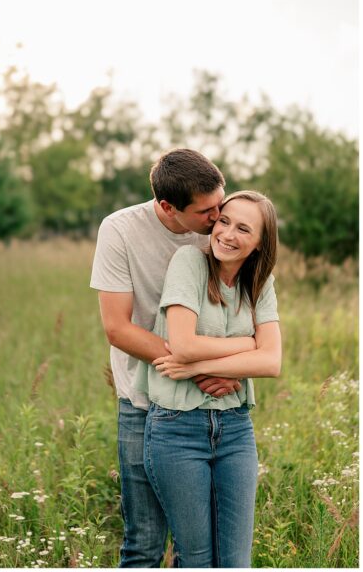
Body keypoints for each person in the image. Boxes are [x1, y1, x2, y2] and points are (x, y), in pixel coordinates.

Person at [90, 149, 244, 568]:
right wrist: (200, 368)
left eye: (221, 202)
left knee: (200, 548)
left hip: (211, 407)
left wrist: (220, 368)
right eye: (206, 212)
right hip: (143, 403)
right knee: (144, 542)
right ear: (167, 207)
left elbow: (245, 308)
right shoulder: (120, 230)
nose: (219, 218)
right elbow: (118, 329)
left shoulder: (222, 227)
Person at [137, 190, 281, 568]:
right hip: (176, 429)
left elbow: (271, 361)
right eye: (224, 221)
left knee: (236, 562)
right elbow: (182, 344)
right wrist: (248, 344)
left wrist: (202, 366)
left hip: (235, 429)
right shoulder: (190, 262)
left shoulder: (260, 284)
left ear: (260, 243)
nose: (227, 234)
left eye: (243, 228)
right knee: (197, 559)